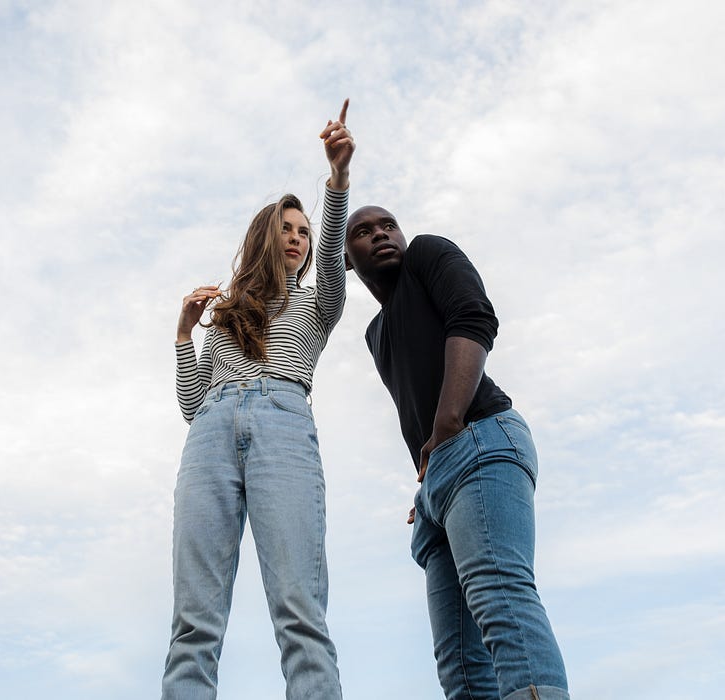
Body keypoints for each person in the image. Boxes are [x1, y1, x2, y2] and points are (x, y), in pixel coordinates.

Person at [161, 101, 354, 700]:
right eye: (287, 229)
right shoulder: (227, 313)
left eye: (304, 232)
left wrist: (338, 181)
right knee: (195, 619)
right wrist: (182, 336)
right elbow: (193, 405)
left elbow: (332, 257)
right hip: (211, 432)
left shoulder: (316, 305)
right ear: (264, 237)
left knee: (299, 608)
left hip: (283, 427)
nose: (298, 239)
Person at [343, 207, 569, 700]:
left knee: (500, 599)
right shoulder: (375, 334)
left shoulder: (427, 252)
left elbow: (473, 316)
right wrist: (428, 478)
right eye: (363, 231)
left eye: (388, 225)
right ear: (345, 257)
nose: (381, 233)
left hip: (482, 440)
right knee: (460, 664)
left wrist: (447, 426)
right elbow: (413, 402)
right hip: (438, 484)